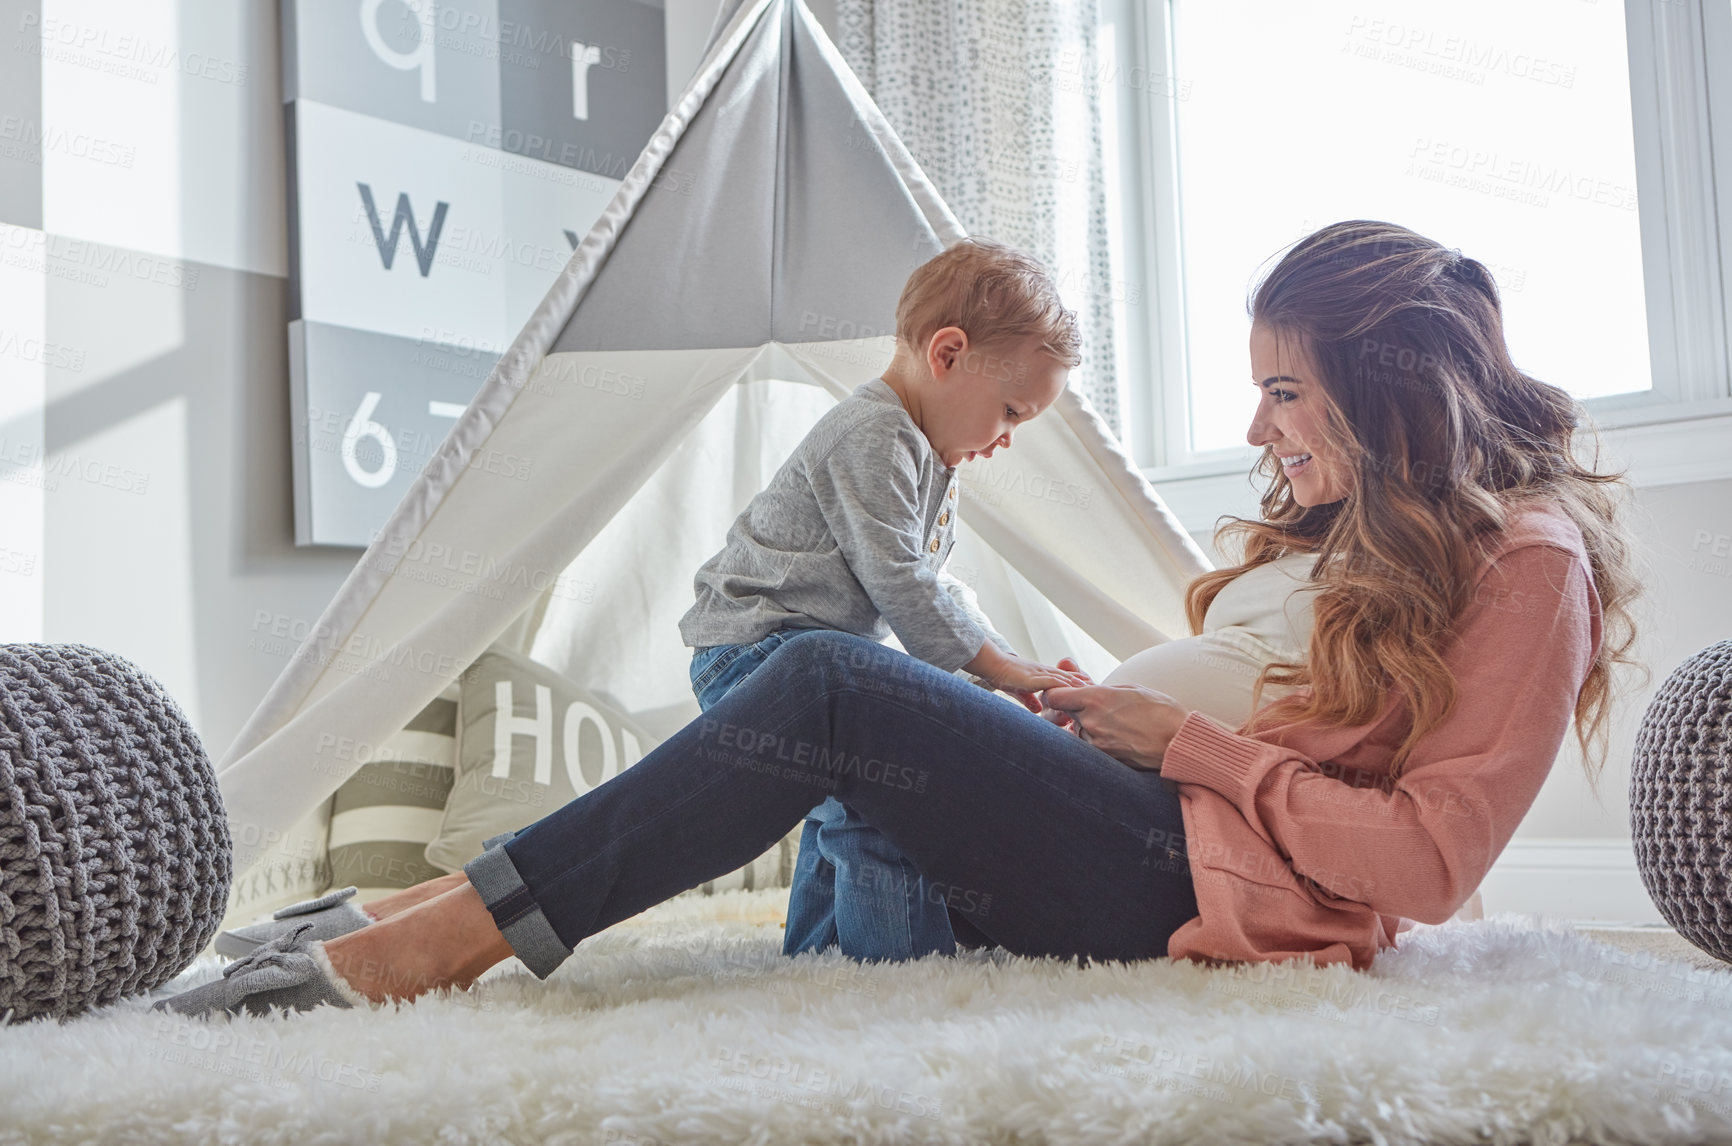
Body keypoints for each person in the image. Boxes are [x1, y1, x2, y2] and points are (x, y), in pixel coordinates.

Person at [160, 220, 1638, 1017]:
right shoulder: (1347, 525)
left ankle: (430, 945)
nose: (1260, 428)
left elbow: (1434, 864)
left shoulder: (1528, 564)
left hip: (1184, 870)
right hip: (1129, 803)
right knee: (837, 683)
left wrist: (1186, 741)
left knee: (830, 676)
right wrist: (1086, 711)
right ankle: (415, 910)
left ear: (1391, 386)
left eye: (1283, 388)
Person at [677, 238, 1088, 963]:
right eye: (1011, 412)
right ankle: (900, 977)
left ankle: (817, 958)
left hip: (804, 653)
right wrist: (997, 669)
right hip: (755, 647)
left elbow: (937, 585)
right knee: (886, 801)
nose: (1007, 440)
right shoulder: (872, 431)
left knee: (845, 798)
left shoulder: (928, 457)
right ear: (949, 354)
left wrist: (999, 664)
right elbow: (901, 578)